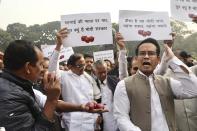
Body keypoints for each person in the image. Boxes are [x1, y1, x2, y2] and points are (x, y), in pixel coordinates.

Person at [113, 38, 197, 131]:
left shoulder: (167, 82)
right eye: (142, 53)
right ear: (136, 59)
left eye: (151, 53)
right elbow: (121, 117)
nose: (146, 56)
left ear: (158, 60)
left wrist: (172, 59)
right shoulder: (124, 85)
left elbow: (193, 89)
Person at [0, 40, 61, 130]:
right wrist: (51, 101)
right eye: (40, 64)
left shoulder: (16, 86)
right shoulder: (10, 97)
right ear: (28, 67)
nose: (42, 69)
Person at [48, 28, 101, 131]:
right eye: (79, 65)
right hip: (72, 122)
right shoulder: (64, 76)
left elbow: (92, 99)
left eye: (84, 64)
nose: (83, 67)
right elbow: (52, 68)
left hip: (89, 121)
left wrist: (97, 115)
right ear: (70, 66)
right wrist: (59, 45)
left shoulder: (88, 78)